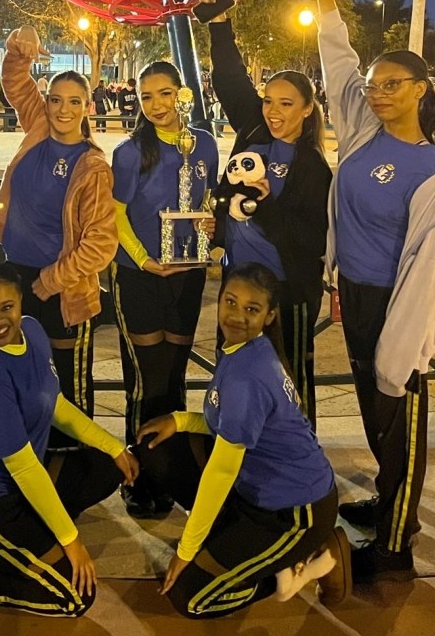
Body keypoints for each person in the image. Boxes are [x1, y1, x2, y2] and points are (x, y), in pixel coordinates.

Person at [301, 0, 435, 583]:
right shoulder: (365, 131)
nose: (377, 92)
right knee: (376, 412)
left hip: (402, 306)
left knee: (401, 419)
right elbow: (338, 62)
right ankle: (388, 504)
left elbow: (428, 269)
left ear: (421, 89)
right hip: (359, 295)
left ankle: (396, 548)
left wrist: (405, 341)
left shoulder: (430, 171)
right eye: (375, 84)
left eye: (393, 84)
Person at [0, 262, 138, 614]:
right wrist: (71, 541)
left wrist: (114, 446)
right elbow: (24, 468)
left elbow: (54, 403)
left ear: (20, 303)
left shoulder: (31, 331)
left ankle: (25, 540)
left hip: (15, 487)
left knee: (105, 465)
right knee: (73, 596)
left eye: (6, 307)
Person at [136, 263, 351, 618]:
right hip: (255, 491)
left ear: (269, 316)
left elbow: (221, 470)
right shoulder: (245, 349)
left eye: (252, 309)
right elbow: (230, 424)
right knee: (157, 447)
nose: (237, 316)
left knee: (191, 596)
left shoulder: (247, 375)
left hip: (292, 513)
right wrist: (179, 420)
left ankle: (311, 557)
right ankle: (256, 550)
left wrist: (186, 551)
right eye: (230, 302)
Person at [196, 0, 332, 428]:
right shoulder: (254, 128)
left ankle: (296, 455)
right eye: (270, 101)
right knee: (233, 375)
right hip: (237, 283)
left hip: (285, 293)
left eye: (286, 104)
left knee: (288, 380)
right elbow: (230, 77)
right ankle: (235, 452)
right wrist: (219, 17)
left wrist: (268, 204)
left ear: (308, 109)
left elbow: (311, 240)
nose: (273, 111)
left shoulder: (313, 168)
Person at [0, 26, 117, 444]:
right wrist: (20, 42)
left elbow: (101, 244)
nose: (63, 110)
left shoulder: (92, 167)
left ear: (88, 107)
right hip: (16, 277)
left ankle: (75, 466)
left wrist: (50, 281)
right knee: (24, 378)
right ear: (46, 103)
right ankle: (34, 460)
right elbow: (14, 80)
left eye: (74, 102)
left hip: (64, 290)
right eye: (56, 100)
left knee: (68, 388)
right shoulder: (38, 127)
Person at [112, 61, 219, 517]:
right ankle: (137, 476)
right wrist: (143, 259)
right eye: (146, 96)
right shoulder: (129, 152)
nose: (156, 105)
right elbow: (116, 215)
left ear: (182, 94)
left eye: (165, 94)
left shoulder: (204, 144)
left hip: (187, 275)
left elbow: (209, 197)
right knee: (145, 380)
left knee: (174, 376)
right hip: (140, 276)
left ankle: (170, 469)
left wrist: (210, 225)